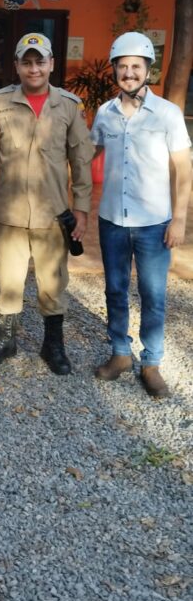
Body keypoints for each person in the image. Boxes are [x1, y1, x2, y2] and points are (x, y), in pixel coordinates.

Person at [0, 32, 94, 373]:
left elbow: (81, 160)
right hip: (11, 211)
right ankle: (6, 339)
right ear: (16, 66)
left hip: (53, 213)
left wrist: (82, 210)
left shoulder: (68, 106)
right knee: (8, 278)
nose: (33, 68)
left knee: (53, 280)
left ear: (51, 64)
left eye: (40, 61)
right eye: (26, 62)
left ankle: (52, 345)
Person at [92, 31, 192, 398]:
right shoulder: (105, 113)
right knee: (115, 290)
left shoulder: (167, 113)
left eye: (136, 66)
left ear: (148, 69)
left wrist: (179, 218)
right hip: (112, 222)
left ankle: (151, 363)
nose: (129, 72)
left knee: (153, 295)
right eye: (123, 66)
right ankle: (120, 353)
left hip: (154, 224)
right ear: (115, 70)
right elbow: (88, 154)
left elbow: (184, 167)